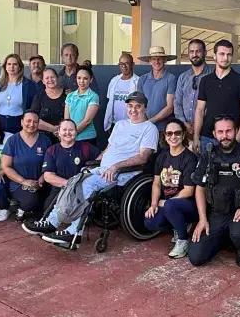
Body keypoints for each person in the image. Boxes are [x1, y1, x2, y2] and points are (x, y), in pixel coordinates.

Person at [35, 91, 158, 244]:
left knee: (87, 185)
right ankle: (52, 222)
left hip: (122, 174)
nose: (133, 110)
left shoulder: (149, 128)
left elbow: (143, 157)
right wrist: (95, 162)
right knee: (74, 180)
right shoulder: (120, 125)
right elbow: (109, 149)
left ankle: (74, 232)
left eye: (138, 106)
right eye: (130, 106)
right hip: (103, 169)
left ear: (145, 108)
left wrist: (115, 166)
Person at [189, 115, 240, 267]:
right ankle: (223, 238)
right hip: (217, 213)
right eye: (220, 132)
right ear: (214, 134)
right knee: (196, 257)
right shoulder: (208, 155)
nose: (225, 136)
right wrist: (202, 219)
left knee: (239, 234)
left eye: (228, 131)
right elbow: (199, 188)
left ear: (236, 131)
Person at [21, 119, 98, 235]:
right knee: (48, 209)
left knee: (86, 214)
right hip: (61, 188)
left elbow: (101, 159)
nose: (68, 133)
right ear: (59, 132)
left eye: (71, 130)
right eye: (64, 130)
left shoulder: (85, 147)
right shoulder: (52, 150)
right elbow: (48, 176)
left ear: (76, 132)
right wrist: (70, 184)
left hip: (82, 190)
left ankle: (73, 228)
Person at [144, 118, 199, 258]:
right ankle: (178, 225)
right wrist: (154, 204)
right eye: (169, 133)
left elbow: (189, 190)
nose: (173, 137)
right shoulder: (162, 157)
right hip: (167, 203)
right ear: (165, 136)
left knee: (170, 206)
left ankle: (183, 240)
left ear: (183, 134)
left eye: (177, 133)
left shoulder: (189, 158)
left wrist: (168, 202)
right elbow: (156, 183)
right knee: (150, 222)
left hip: (187, 204)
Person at [193, 39, 240, 156]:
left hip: (230, 138)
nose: (225, 58)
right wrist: (196, 136)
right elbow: (199, 110)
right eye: (222, 54)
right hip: (207, 137)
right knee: (206, 167)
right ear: (214, 56)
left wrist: (238, 137)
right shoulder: (205, 81)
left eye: (229, 54)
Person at [1, 111, 53, 219]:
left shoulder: (45, 140)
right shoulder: (12, 141)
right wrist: (24, 181)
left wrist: (41, 180)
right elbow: (6, 166)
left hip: (42, 183)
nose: (31, 124)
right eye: (28, 121)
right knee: (31, 201)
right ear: (21, 122)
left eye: (35, 122)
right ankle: (20, 209)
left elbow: (50, 164)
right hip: (19, 183)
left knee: (47, 208)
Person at [0, 53, 39, 135]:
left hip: (18, 123)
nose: (11, 67)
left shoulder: (29, 85)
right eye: (9, 64)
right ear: (5, 67)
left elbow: (32, 106)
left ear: (20, 67)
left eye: (15, 64)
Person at [174, 39, 212, 137]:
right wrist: (183, 123)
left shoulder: (213, 75)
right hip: (184, 129)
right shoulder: (183, 77)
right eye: (191, 51)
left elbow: (213, 104)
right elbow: (177, 103)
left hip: (206, 130)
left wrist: (198, 124)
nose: (194, 54)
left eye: (198, 51)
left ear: (205, 53)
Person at [137, 46, 177, 130]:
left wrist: (151, 121)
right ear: (150, 61)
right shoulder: (142, 79)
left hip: (164, 128)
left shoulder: (171, 79)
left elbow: (170, 107)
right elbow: (139, 103)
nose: (157, 61)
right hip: (145, 126)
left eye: (159, 59)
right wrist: (145, 122)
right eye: (154, 59)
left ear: (164, 60)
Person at [103, 52, 140, 132]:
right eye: (121, 64)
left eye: (127, 63)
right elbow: (110, 101)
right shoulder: (114, 81)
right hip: (114, 125)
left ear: (133, 65)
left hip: (131, 125)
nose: (124, 66)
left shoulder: (138, 82)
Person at [64, 65, 99, 145]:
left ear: (91, 80)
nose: (81, 81)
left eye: (85, 78)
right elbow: (66, 120)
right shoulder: (70, 96)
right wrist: (68, 133)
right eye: (79, 78)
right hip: (70, 137)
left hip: (87, 138)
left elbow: (87, 121)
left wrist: (71, 134)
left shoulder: (93, 96)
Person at [30, 67, 66, 141]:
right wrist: (54, 129)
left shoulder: (68, 95)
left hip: (65, 137)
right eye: (47, 78)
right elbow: (34, 119)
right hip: (43, 139)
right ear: (43, 81)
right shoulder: (39, 96)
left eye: (52, 77)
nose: (50, 80)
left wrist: (62, 131)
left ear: (57, 78)